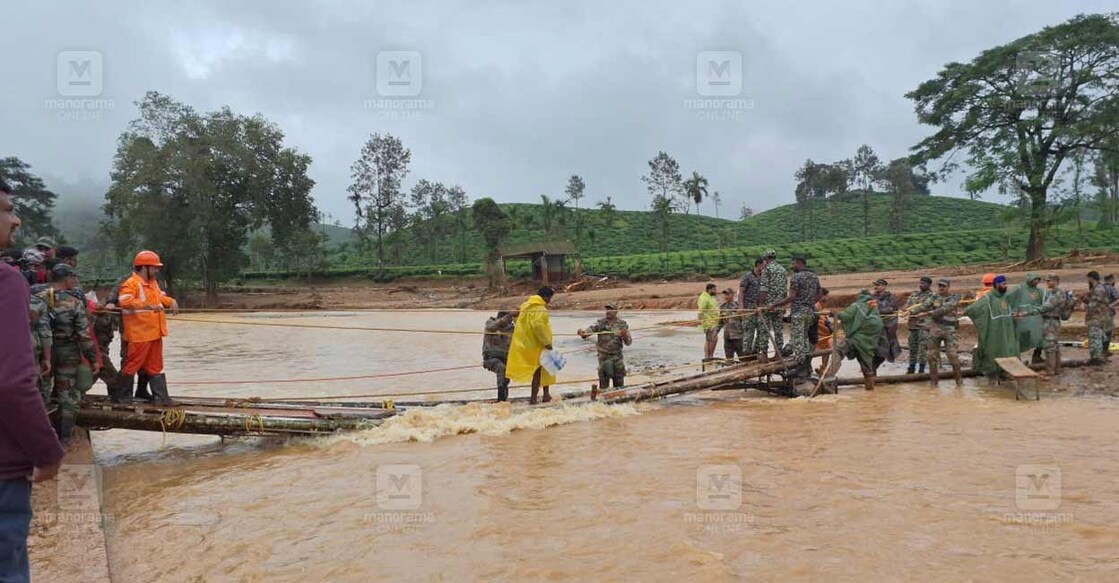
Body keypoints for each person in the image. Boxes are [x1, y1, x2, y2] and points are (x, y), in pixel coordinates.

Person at [0, 179, 66, 582]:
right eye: (7, 209)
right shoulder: (7, 281)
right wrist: (48, 451)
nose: (16, 219)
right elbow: (10, 383)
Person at [36, 264, 100, 442]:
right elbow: (84, 335)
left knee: (42, 393)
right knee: (68, 395)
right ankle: (64, 438)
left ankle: (41, 437)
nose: (74, 281)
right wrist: (93, 359)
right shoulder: (74, 302)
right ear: (66, 279)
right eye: (73, 278)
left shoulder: (37, 298)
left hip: (42, 352)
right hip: (68, 352)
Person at [115, 250, 178, 404]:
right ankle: (122, 397)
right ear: (144, 267)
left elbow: (160, 297)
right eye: (154, 267)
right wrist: (146, 305)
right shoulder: (131, 283)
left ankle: (161, 398)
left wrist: (170, 301)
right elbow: (124, 301)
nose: (157, 270)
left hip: (155, 332)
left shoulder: (153, 283)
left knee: (155, 366)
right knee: (132, 365)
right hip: (139, 334)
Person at [820, 290, 884, 391]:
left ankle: (829, 374)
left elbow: (845, 316)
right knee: (866, 366)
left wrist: (832, 313)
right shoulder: (873, 307)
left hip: (856, 338)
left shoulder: (857, 305)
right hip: (869, 342)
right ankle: (870, 390)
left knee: (839, 350)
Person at [770, 255, 820, 379]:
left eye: (793, 264)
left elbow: (791, 297)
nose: (791, 266)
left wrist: (774, 304)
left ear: (799, 263)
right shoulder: (814, 276)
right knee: (806, 341)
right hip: (811, 313)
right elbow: (819, 293)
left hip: (798, 314)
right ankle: (807, 367)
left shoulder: (796, 277)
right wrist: (810, 303)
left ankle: (801, 369)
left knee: (798, 341)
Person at [506, 286, 556, 404]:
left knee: (547, 368)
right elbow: (538, 326)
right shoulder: (540, 309)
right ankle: (534, 399)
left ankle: (546, 395)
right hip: (538, 344)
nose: (549, 301)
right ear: (545, 297)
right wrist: (547, 342)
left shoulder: (525, 306)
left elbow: (517, 320)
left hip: (527, 343)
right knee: (540, 370)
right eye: (549, 298)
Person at [964, 274, 1019, 379]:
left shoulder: (1005, 297)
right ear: (997, 284)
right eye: (1003, 284)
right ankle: (990, 372)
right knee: (992, 350)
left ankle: (1005, 371)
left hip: (1006, 331)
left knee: (1007, 349)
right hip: (993, 330)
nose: (1006, 286)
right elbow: (972, 309)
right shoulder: (988, 298)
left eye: (1006, 284)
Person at [910, 279, 963, 386]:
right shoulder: (934, 297)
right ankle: (934, 384)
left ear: (948, 287)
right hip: (935, 329)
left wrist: (927, 314)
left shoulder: (955, 297)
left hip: (949, 330)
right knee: (931, 357)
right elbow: (924, 305)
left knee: (953, 357)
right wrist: (911, 311)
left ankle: (959, 383)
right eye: (939, 286)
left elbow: (944, 309)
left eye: (943, 286)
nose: (941, 288)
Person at [1017, 274, 1072, 377]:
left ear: (1055, 281)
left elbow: (1045, 308)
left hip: (1050, 322)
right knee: (1054, 346)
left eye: (1049, 281)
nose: (1047, 283)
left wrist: (1026, 313)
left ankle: (1050, 370)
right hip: (1052, 321)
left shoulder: (1056, 295)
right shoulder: (1055, 293)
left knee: (1049, 346)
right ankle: (1057, 369)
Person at [578, 303, 633, 389]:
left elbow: (628, 342)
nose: (608, 311)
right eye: (607, 309)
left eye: (610, 309)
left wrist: (624, 335)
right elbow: (588, 332)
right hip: (603, 358)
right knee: (603, 386)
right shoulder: (600, 323)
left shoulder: (622, 324)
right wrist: (582, 332)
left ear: (616, 311)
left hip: (617, 358)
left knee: (619, 385)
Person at [1007, 273, 1045, 363]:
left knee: (1041, 337)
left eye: (1038, 279)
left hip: (1036, 317)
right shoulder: (1019, 288)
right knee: (1020, 337)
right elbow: (1007, 297)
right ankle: (1015, 357)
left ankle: (1037, 355)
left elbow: (1046, 302)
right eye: (1035, 279)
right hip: (1022, 317)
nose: (1036, 281)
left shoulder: (1039, 291)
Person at [1084, 271, 1119, 365]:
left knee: (1098, 337)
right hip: (1102, 316)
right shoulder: (1098, 288)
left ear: (1091, 278)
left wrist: (1084, 307)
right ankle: (1101, 356)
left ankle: (1098, 358)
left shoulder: (1099, 288)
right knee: (1102, 336)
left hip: (1099, 317)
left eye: (1088, 279)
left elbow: (1095, 303)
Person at [482, 310, 517, 402]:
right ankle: (500, 399)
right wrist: (509, 315)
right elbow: (493, 326)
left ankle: (503, 400)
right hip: (491, 358)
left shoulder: (511, 328)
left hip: (506, 358)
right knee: (501, 368)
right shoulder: (490, 323)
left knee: (506, 377)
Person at [758, 249, 788, 355]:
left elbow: (764, 289)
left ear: (766, 259)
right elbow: (785, 290)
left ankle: (764, 354)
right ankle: (778, 353)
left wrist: (761, 305)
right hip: (779, 305)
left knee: (764, 330)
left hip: (768, 305)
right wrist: (784, 305)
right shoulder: (783, 270)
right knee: (778, 330)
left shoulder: (767, 270)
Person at [904, 276, 934, 375]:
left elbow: (925, 306)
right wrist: (903, 311)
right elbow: (907, 305)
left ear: (929, 285)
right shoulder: (914, 294)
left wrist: (910, 311)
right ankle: (911, 368)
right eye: (920, 283)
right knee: (912, 347)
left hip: (924, 325)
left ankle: (921, 369)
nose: (921, 285)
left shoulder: (933, 296)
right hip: (912, 325)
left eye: (923, 283)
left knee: (922, 348)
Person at [738, 257, 765, 361]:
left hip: (760, 309)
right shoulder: (747, 276)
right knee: (749, 332)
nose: (764, 267)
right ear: (758, 265)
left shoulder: (764, 277)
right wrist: (741, 307)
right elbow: (741, 292)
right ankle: (746, 355)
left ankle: (755, 352)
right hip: (749, 308)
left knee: (762, 331)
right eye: (763, 265)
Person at [871, 279, 902, 362]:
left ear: (884, 286)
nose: (875, 287)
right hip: (876, 323)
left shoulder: (890, 297)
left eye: (878, 285)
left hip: (889, 323)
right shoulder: (872, 297)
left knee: (890, 340)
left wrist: (878, 311)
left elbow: (892, 309)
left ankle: (891, 357)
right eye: (875, 285)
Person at [714, 289, 745, 360]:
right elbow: (720, 322)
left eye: (728, 294)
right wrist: (716, 332)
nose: (726, 296)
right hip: (727, 337)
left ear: (732, 295)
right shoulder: (722, 307)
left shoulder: (738, 306)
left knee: (742, 358)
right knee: (729, 359)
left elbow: (744, 321)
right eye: (725, 294)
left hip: (738, 336)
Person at [696, 283, 720, 360]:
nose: (716, 291)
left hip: (714, 321)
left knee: (710, 340)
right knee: (712, 339)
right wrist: (699, 320)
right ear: (709, 290)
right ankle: (709, 356)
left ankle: (709, 356)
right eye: (714, 290)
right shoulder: (704, 298)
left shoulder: (710, 297)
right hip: (709, 322)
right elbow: (701, 311)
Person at [813, 288, 833, 375]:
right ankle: (823, 367)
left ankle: (823, 367)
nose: (827, 298)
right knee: (824, 347)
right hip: (818, 331)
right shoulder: (817, 305)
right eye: (826, 296)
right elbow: (819, 318)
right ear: (822, 295)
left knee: (826, 347)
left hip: (820, 331)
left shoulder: (820, 305)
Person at [1103, 274, 1118, 359]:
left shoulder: (1100, 287)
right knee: (1108, 332)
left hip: (1099, 314)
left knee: (1102, 331)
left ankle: (1102, 351)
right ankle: (1105, 351)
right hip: (1108, 313)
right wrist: (1110, 306)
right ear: (1112, 280)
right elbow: (1118, 299)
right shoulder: (1111, 288)